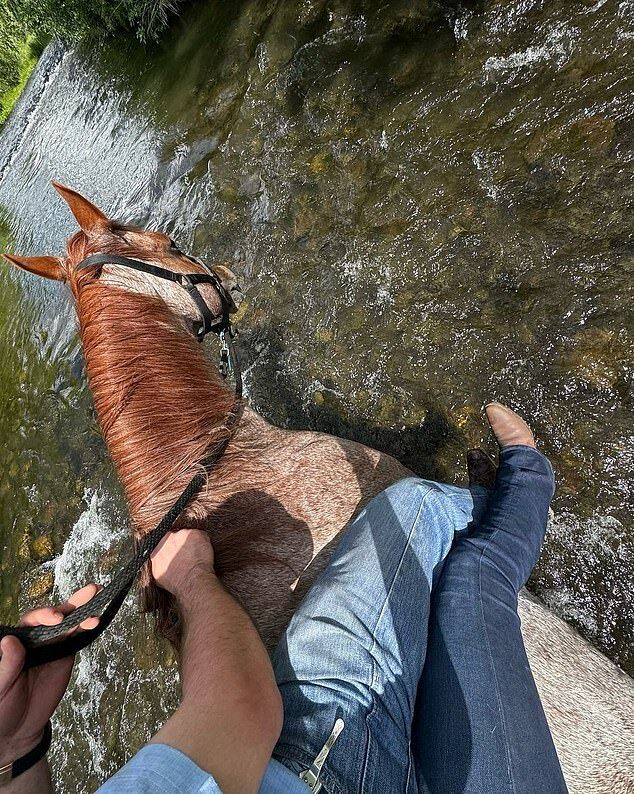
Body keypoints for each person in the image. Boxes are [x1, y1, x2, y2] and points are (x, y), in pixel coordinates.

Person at [0, 403, 568, 793]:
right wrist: (193, 576)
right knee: (444, 545)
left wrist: (21, 750)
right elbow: (243, 711)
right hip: (328, 766)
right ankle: (521, 479)